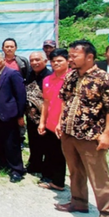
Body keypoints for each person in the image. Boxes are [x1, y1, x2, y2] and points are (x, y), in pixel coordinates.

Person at [54, 40, 109, 217]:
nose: (71, 59)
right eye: (70, 55)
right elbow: (65, 101)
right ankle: (79, 201)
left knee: (99, 176)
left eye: (75, 56)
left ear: (89, 57)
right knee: (75, 170)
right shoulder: (71, 76)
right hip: (69, 132)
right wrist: (60, 122)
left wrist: (107, 135)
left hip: (91, 136)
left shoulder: (104, 78)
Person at [0, 51, 27, 183]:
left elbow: (21, 96)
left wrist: (20, 115)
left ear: (3, 60)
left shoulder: (12, 74)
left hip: (9, 114)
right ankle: (4, 163)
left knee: (11, 143)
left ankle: (17, 170)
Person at [37, 48, 69, 191]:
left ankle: (59, 182)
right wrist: (42, 122)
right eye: (54, 61)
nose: (56, 63)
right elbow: (46, 102)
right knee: (50, 151)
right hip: (50, 122)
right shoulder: (48, 79)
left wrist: (61, 122)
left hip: (64, 124)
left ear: (68, 61)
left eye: (60, 60)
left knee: (60, 155)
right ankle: (51, 178)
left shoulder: (72, 78)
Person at [24, 51, 52, 175]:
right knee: (33, 141)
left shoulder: (49, 77)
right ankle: (34, 164)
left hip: (45, 117)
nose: (34, 63)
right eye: (32, 60)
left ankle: (46, 169)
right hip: (31, 116)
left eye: (37, 60)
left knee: (46, 144)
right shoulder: (30, 75)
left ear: (45, 61)